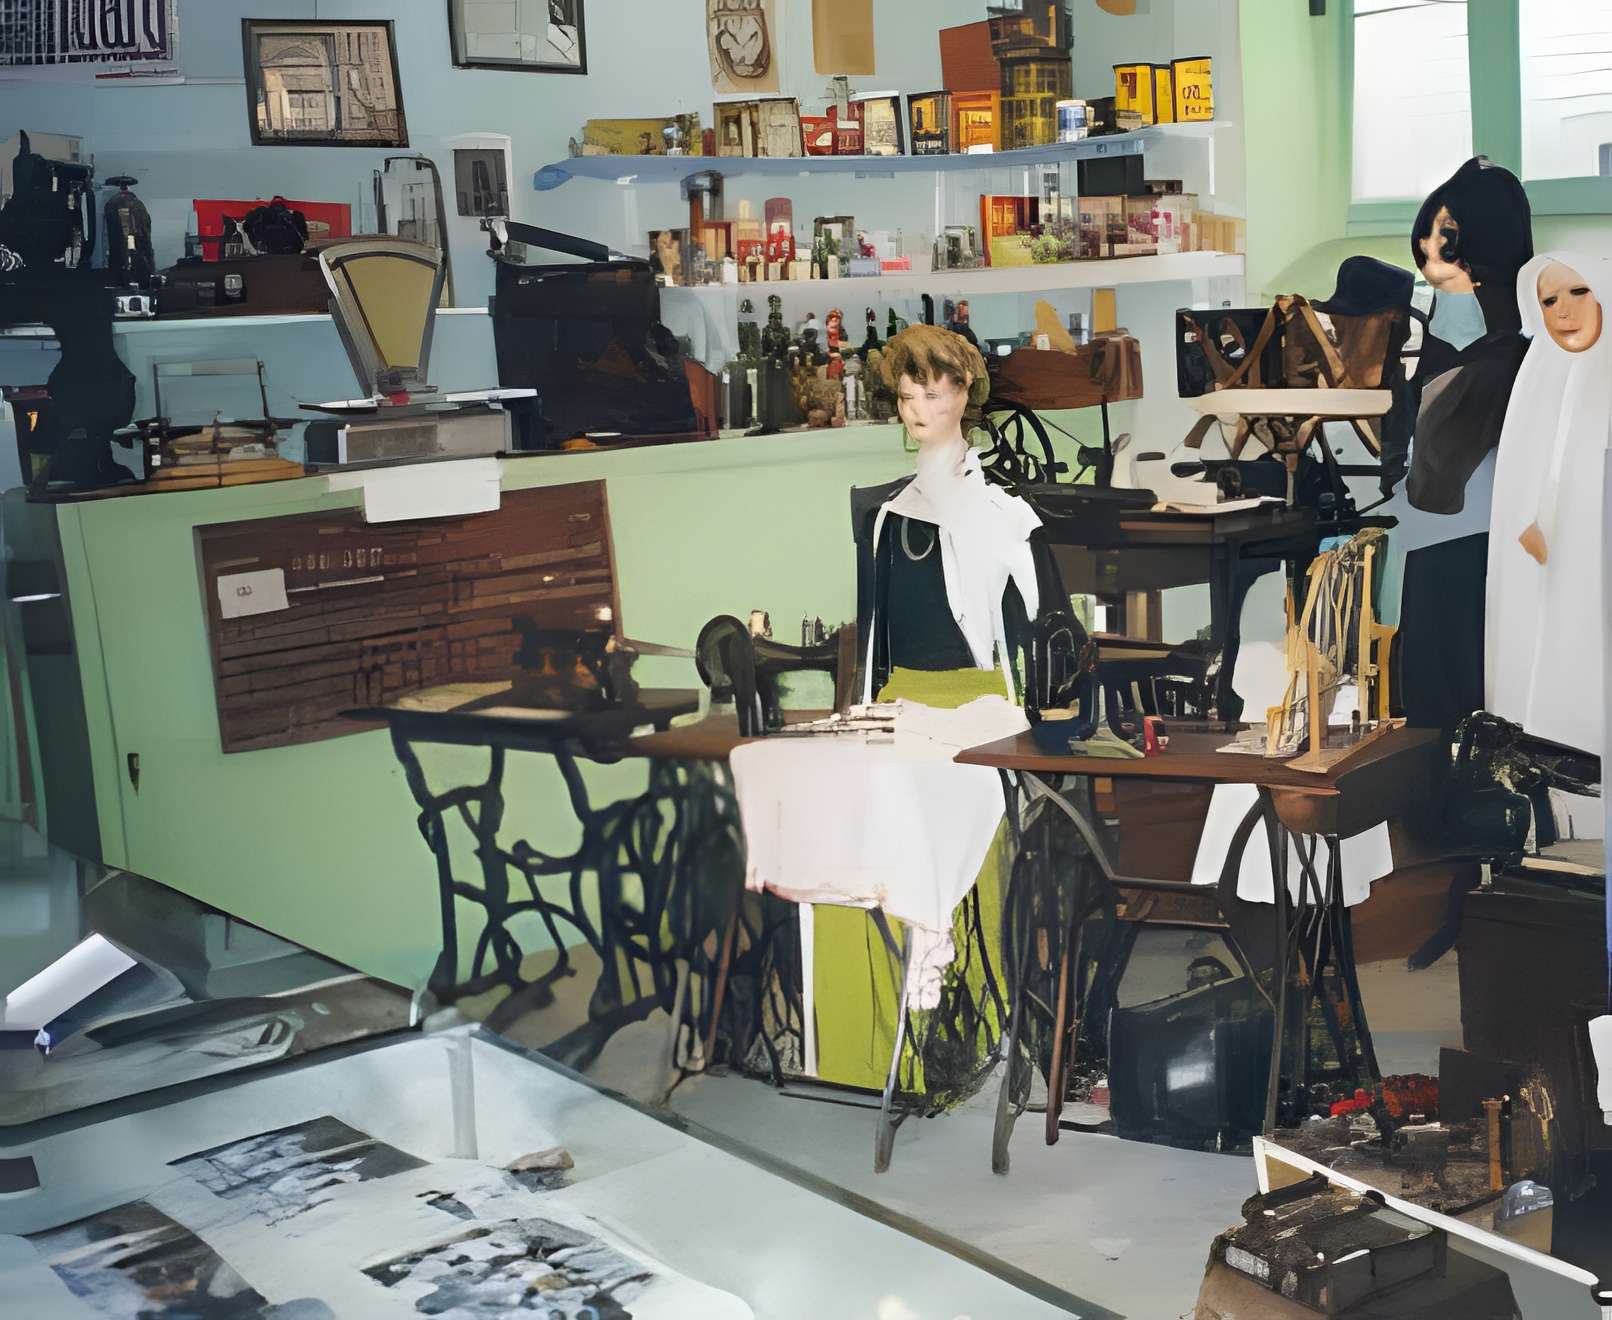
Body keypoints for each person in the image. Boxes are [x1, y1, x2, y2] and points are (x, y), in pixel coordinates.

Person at [859, 325, 1041, 701]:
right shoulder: (886, 519)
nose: (916, 410)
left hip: (985, 701)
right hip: (904, 703)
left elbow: (1033, 630)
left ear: (963, 393)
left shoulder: (1004, 512)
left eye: (930, 395)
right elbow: (874, 641)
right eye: (907, 397)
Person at [1486, 253, 1612, 759]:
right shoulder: (1538, 376)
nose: (1563, 310)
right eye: (1549, 299)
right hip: (1544, 557)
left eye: (1579, 292)